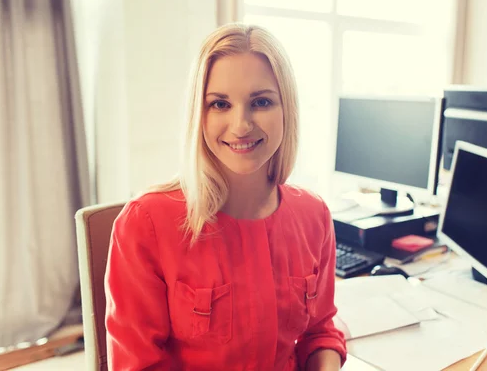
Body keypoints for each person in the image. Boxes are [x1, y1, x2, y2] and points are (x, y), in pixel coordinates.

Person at [104, 23, 347, 370]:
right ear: (198, 115)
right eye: (220, 104)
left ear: (287, 110)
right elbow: (138, 364)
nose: (241, 125)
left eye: (261, 102)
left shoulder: (314, 215)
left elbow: (319, 332)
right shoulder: (144, 224)